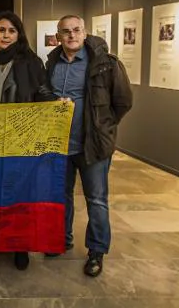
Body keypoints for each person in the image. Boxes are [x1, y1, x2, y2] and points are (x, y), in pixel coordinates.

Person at [45, 15, 132, 277]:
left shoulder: (105, 63)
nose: (71, 35)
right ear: (58, 36)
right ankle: (62, 238)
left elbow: (123, 101)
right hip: (60, 145)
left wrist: (103, 127)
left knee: (96, 199)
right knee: (62, 196)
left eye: (76, 30)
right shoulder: (51, 63)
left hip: (93, 146)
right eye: (66, 31)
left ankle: (96, 251)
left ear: (85, 33)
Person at [0, 11, 56, 270]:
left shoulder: (30, 62)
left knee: (18, 194)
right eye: (1, 30)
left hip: (20, 139)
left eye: (11, 30)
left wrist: (56, 105)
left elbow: (41, 93)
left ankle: (20, 245)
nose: (6, 35)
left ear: (18, 34)